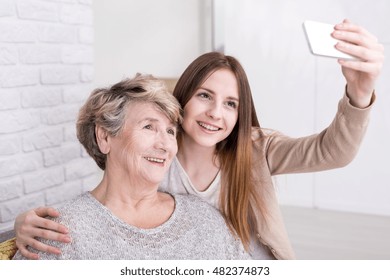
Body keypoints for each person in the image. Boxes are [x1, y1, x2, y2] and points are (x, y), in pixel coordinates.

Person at [13, 19, 384, 260]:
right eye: (205, 96)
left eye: (231, 104)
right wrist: (21, 230)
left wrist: (360, 92)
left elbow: (331, 151)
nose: (215, 114)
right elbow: (107, 202)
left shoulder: (255, 149)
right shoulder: (158, 157)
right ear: (184, 100)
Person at [12, 74, 250, 260]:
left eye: (170, 131)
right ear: (105, 137)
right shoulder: (58, 233)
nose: (165, 144)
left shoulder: (204, 219)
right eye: (149, 127)